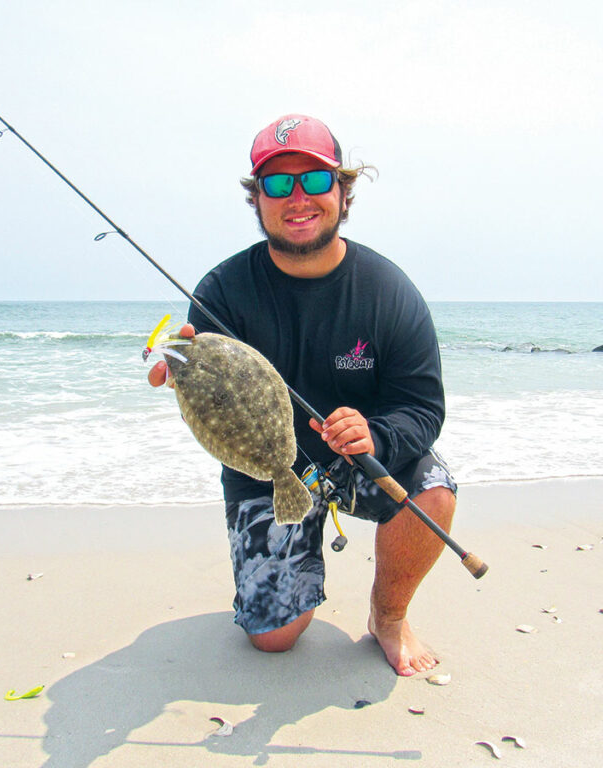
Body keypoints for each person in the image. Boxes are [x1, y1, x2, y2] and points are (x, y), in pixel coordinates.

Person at [148, 114, 456, 676]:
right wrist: (177, 368)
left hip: (361, 458)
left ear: (341, 191)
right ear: (257, 197)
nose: (297, 198)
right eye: (277, 183)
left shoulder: (389, 292)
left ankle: (388, 616)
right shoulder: (221, 292)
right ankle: (285, 583)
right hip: (267, 472)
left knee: (433, 491)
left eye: (314, 181)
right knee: (274, 639)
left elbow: (424, 407)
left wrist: (376, 434)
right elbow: (215, 406)